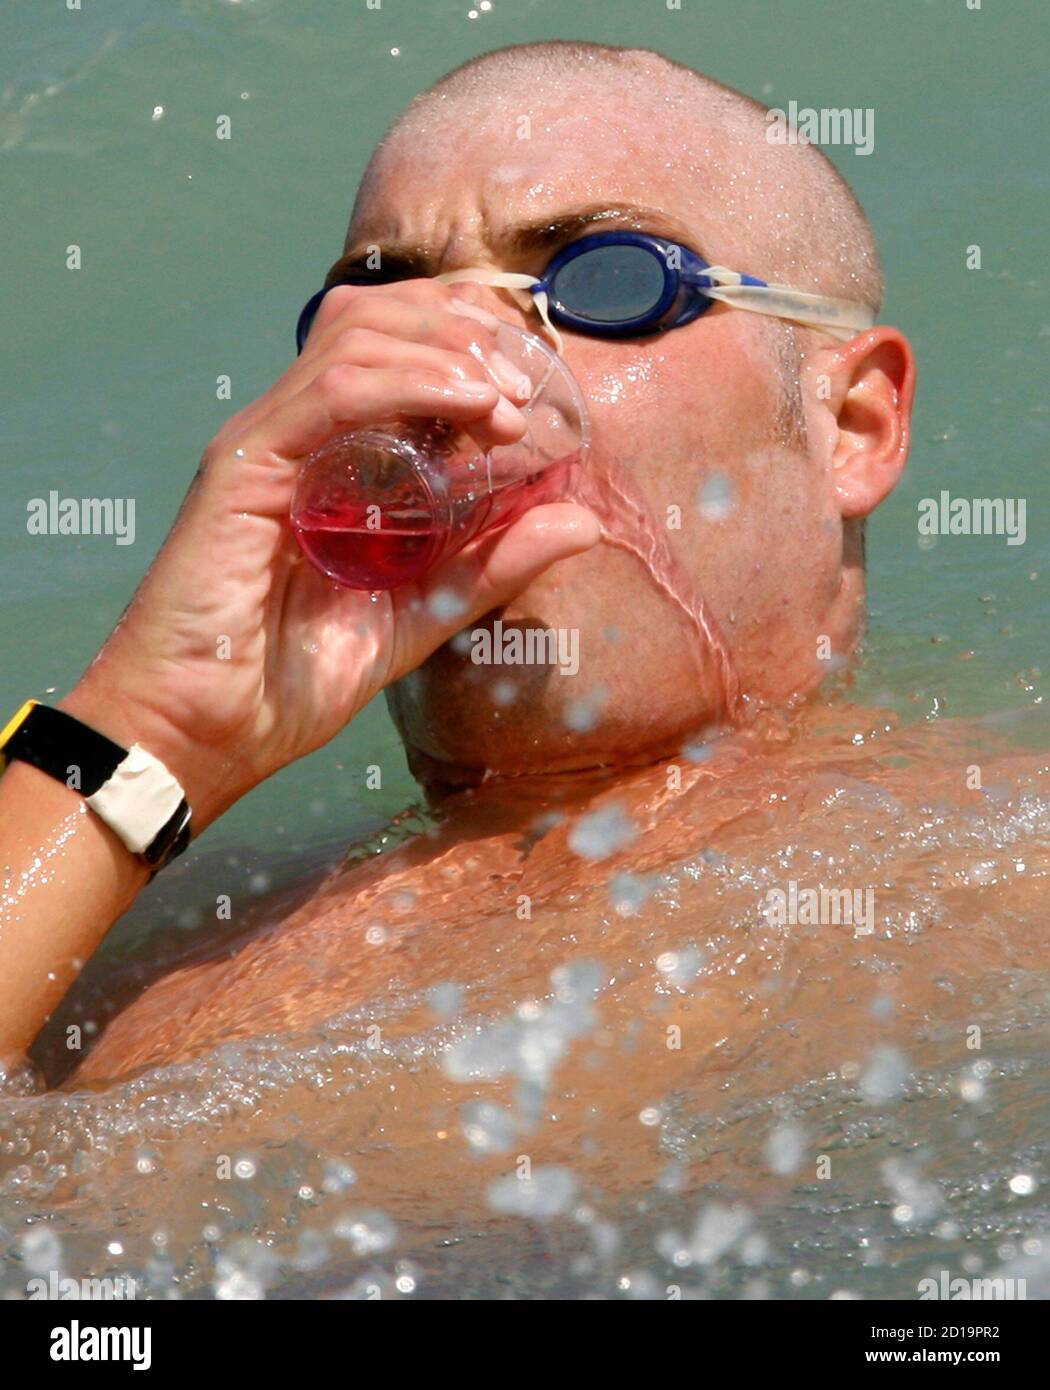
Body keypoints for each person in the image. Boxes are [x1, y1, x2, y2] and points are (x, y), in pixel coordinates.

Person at [0, 41, 918, 1080]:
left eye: (602, 281)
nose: (456, 372)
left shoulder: (989, 891)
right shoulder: (128, 958)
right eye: (385, 299)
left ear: (852, 425)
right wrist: (155, 730)